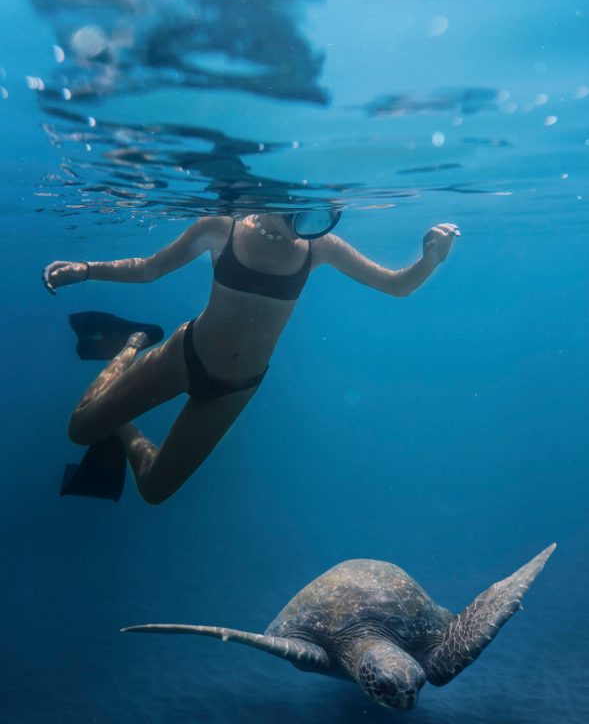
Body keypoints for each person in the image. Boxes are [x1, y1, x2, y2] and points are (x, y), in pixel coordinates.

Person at [43, 210, 460, 504]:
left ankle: (124, 428)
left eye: (326, 215)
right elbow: (149, 269)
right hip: (183, 356)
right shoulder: (221, 228)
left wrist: (430, 260)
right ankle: (129, 345)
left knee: (153, 490)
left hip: (236, 389)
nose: (313, 226)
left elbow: (396, 286)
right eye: (308, 213)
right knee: (80, 428)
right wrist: (86, 268)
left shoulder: (321, 248)